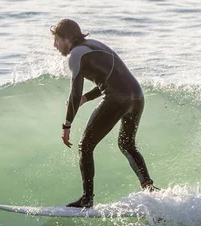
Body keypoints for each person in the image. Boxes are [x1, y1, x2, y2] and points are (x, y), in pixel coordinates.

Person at [51, 18, 158, 208]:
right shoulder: (94, 45)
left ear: (66, 38)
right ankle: (149, 189)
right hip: (137, 96)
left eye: (56, 40)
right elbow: (112, 77)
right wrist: (87, 98)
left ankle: (87, 199)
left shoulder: (75, 54)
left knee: (85, 146)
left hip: (117, 98)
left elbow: (74, 91)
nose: (54, 45)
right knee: (127, 144)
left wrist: (67, 125)